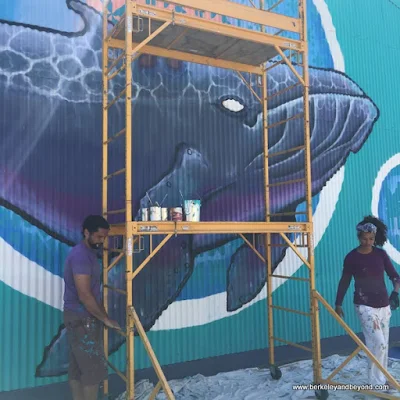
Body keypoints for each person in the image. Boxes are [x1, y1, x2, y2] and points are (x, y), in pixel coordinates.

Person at [334, 215, 400, 389]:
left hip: (384, 305)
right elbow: (345, 281)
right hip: (364, 306)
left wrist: (395, 293)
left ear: (374, 238)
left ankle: (381, 379)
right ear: (358, 237)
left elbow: (395, 276)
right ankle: (377, 383)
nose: (368, 242)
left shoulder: (381, 254)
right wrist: (338, 303)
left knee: (383, 344)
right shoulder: (352, 257)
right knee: (378, 343)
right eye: (364, 238)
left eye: (371, 239)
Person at [63, 215, 120, 400]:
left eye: (104, 237)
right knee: (93, 370)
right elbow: (85, 295)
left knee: (78, 368)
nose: (101, 241)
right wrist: (105, 319)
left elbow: (93, 294)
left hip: (81, 318)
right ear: (86, 232)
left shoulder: (87, 254)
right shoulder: (80, 256)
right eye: (98, 237)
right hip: (82, 320)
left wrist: (103, 316)